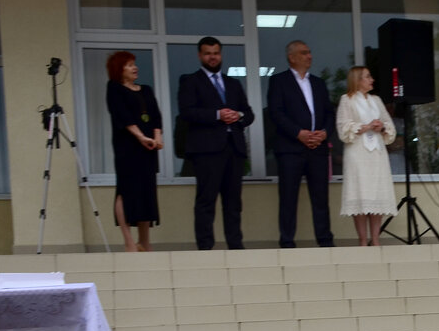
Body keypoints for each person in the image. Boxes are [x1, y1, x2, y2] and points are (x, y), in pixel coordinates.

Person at [177, 36, 254, 250]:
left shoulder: (233, 83)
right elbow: (187, 112)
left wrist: (236, 115)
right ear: (200, 55)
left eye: (216, 53)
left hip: (234, 149)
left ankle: (236, 246)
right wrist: (217, 114)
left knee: (233, 203)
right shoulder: (190, 81)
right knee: (206, 200)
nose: (213, 57)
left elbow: (249, 114)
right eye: (208, 53)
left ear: (221, 54)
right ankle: (205, 248)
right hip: (207, 151)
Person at [267, 40, 335, 248]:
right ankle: (287, 241)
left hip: (318, 148)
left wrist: (323, 133)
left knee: (320, 197)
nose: (309, 56)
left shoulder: (319, 83)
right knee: (288, 196)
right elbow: (276, 112)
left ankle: (325, 240)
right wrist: (299, 133)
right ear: (292, 57)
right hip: (291, 149)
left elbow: (329, 113)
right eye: (304, 53)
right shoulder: (279, 81)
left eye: (310, 52)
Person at [104, 50, 162, 253]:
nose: (134, 67)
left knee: (146, 190)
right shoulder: (114, 88)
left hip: (148, 148)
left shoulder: (146, 90)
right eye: (129, 65)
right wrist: (140, 136)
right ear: (119, 69)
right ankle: (128, 241)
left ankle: (144, 241)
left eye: (134, 64)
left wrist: (157, 137)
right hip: (127, 147)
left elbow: (155, 115)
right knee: (126, 189)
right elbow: (122, 116)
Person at [335, 66, 396, 247]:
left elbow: (389, 126)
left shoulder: (376, 100)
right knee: (360, 193)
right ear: (358, 80)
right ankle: (363, 240)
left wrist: (381, 127)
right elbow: (343, 128)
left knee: (376, 194)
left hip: (377, 153)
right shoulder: (347, 100)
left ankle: (375, 239)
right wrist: (367, 126)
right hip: (358, 153)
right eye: (368, 77)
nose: (372, 80)